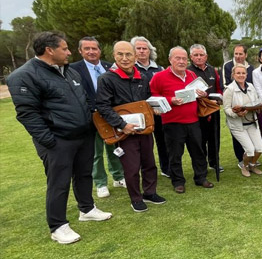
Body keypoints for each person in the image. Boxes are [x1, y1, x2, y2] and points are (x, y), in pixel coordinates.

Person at [7, 32, 112, 244]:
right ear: (49, 50)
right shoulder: (24, 75)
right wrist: (48, 140)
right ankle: (58, 226)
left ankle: (87, 209)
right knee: (59, 182)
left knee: (84, 175)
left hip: (83, 135)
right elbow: (27, 113)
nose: (69, 52)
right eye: (65, 48)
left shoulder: (69, 71)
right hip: (57, 140)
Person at [95, 41, 166, 212]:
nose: (125, 58)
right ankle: (136, 198)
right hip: (124, 132)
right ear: (114, 56)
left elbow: (147, 99)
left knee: (149, 163)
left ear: (135, 56)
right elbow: (103, 107)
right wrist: (122, 124)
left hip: (144, 128)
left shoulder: (142, 76)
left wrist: (155, 109)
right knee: (131, 167)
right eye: (120, 54)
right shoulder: (106, 79)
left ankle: (150, 192)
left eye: (128, 54)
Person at [149, 46, 214, 193]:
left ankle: (201, 178)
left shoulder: (191, 75)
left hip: (193, 120)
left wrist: (202, 94)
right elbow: (153, 96)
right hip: (172, 122)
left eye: (184, 58)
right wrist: (170, 99)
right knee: (175, 154)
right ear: (170, 59)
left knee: (198, 151)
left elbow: (198, 94)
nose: (181, 61)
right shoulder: (159, 77)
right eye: (178, 58)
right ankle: (178, 181)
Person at [70, 36, 126, 198]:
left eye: (94, 48)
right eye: (87, 48)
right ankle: (101, 183)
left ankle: (118, 176)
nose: (91, 51)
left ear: (100, 50)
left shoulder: (111, 67)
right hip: (90, 117)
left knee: (115, 148)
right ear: (80, 51)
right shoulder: (74, 69)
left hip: (111, 116)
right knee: (95, 153)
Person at [131, 36, 169, 178]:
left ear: (149, 51)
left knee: (163, 141)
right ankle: (143, 173)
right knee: (142, 146)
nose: (141, 51)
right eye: (138, 48)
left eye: (144, 48)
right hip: (140, 113)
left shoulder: (159, 68)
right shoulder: (131, 68)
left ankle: (166, 168)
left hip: (158, 113)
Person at [224, 65, 262, 177]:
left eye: (243, 73)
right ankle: (244, 166)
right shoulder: (229, 89)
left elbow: (256, 101)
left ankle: (252, 165)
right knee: (249, 150)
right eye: (238, 73)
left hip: (252, 122)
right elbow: (226, 109)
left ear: (246, 75)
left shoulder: (251, 87)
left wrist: (258, 107)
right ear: (233, 75)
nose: (241, 75)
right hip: (238, 125)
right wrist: (236, 114)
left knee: (259, 148)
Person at [187, 44, 224, 172]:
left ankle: (214, 162)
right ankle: (202, 165)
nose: (199, 57)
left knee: (214, 137)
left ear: (206, 56)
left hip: (213, 109)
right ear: (191, 57)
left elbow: (219, 88)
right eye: (196, 55)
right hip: (197, 111)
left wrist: (220, 98)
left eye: (201, 55)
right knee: (200, 139)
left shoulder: (212, 70)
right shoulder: (188, 71)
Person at [223, 44, 256, 170]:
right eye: (236, 54)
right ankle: (240, 159)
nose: (238, 56)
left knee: (250, 131)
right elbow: (225, 84)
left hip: (248, 104)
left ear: (245, 55)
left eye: (240, 54)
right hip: (234, 101)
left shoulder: (251, 68)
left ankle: (249, 157)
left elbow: (251, 85)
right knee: (237, 132)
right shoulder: (227, 66)